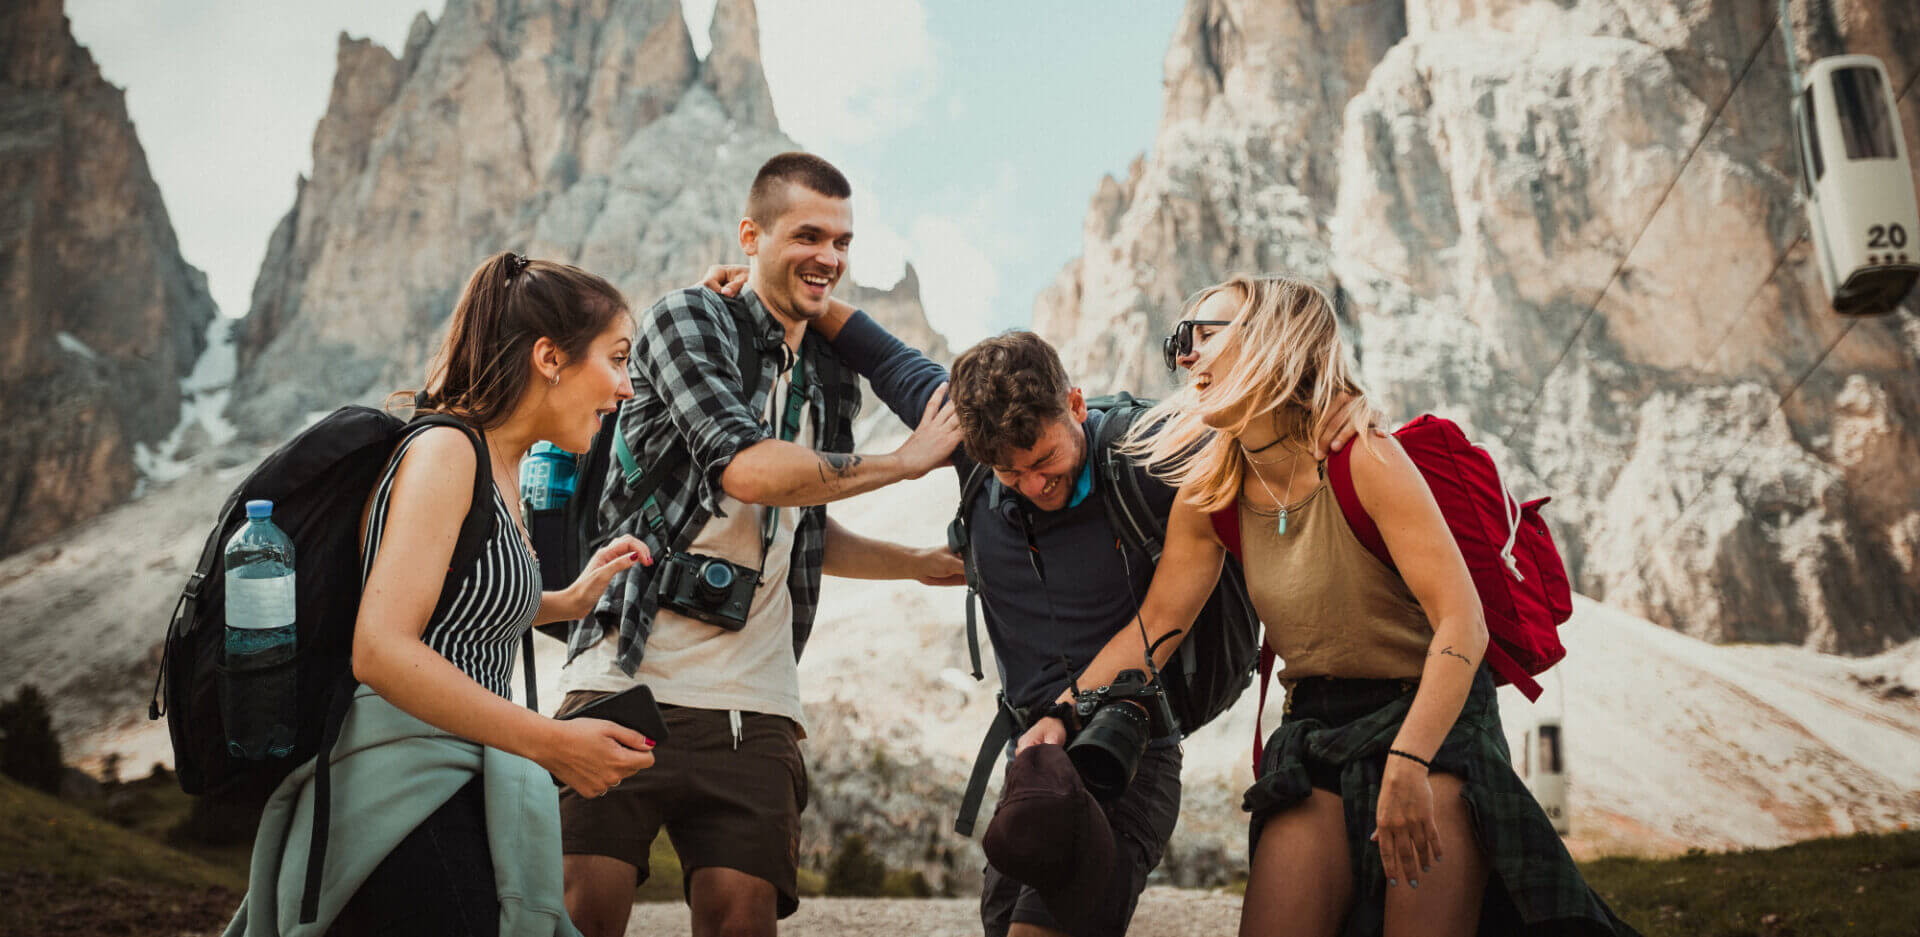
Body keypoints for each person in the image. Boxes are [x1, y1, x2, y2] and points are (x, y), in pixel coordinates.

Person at [698, 258, 1359, 937]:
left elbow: (1262, 421)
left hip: (1124, 751)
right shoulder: (972, 447)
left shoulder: (1146, 453)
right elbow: (877, 350)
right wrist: (774, 284)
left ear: (1075, 405)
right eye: (1007, 473)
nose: (1031, 484)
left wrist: (1341, 406)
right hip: (1035, 762)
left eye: (1044, 461)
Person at [1051, 273, 1639, 936]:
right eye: (1176, 342)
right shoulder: (1209, 493)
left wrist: (1412, 760)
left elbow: (1462, 621)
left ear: (1275, 340)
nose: (1183, 356)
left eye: (1201, 335)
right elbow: (1155, 626)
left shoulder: (1364, 459)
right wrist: (1058, 714)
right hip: (1316, 728)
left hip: (1432, 714)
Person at [557, 152, 965, 937]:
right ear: (751, 233)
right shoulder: (686, 319)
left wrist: (914, 565)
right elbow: (746, 470)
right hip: (625, 669)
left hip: (757, 700)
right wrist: (901, 464)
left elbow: (804, 516)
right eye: (808, 234)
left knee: (743, 919)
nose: (831, 257)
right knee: (582, 913)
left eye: (843, 242)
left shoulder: (831, 374)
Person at [244, 250, 661, 937]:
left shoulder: (500, 466)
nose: (625, 388)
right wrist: (552, 744)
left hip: (458, 776)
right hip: (400, 793)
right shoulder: (447, 451)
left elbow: (457, 605)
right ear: (549, 357)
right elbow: (380, 649)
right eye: (616, 359)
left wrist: (568, 598)